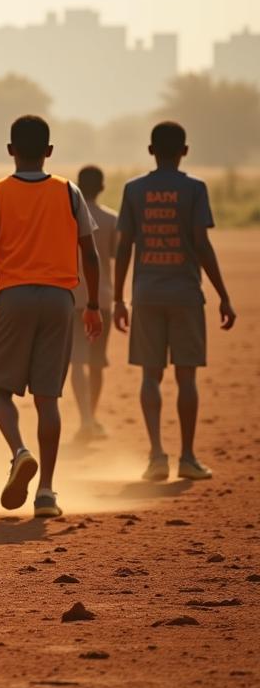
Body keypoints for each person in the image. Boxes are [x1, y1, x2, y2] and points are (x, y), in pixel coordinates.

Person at [0, 115, 102, 518]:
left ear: (10, 151)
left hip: (13, 297)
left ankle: (19, 451)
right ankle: (47, 493)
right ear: (49, 152)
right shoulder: (70, 192)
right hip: (60, 300)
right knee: (48, 399)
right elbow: (89, 253)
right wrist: (92, 305)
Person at [113, 121, 236, 482]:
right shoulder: (195, 189)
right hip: (185, 295)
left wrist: (119, 298)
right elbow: (201, 243)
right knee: (187, 378)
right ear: (185, 151)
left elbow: (124, 247)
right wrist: (223, 295)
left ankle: (155, 457)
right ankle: (187, 457)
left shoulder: (134, 189)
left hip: (146, 295)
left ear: (151, 151)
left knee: (150, 376)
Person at [69, 165, 118, 443]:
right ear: (101, 187)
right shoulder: (111, 219)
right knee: (97, 362)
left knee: (77, 359)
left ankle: (86, 417)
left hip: (72, 296)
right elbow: (112, 255)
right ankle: (90, 417)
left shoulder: (68, 217)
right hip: (101, 298)